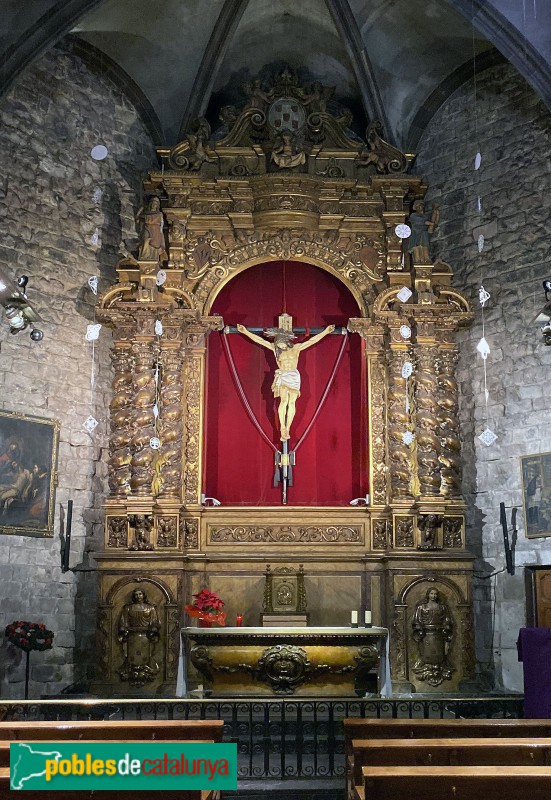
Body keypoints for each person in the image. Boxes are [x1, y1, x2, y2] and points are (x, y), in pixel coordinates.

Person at [236, 322, 335, 441]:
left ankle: (288, 427)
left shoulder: (296, 348)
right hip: (283, 375)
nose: (280, 347)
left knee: (292, 402)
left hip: (293, 376)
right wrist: (245, 332)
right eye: (278, 345)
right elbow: (261, 341)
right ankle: (282, 427)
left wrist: (325, 332)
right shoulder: (275, 349)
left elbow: (311, 341)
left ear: (286, 341)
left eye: (282, 344)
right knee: (283, 401)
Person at [117, 588, 160, 686]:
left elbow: (154, 622)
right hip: (132, 636)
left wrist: (153, 628)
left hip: (146, 636)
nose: (138, 596)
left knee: (147, 655)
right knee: (131, 656)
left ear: (143, 595)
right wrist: (124, 629)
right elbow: (123, 622)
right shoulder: (128, 608)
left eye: (140, 594)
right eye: (136, 594)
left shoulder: (150, 608)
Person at [412, 587, 454, 687]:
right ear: (428, 595)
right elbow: (416, 620)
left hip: (438, 634)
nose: (433, 596)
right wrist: (419, 628)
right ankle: (423, 662)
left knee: (440, 652)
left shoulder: (442, 607)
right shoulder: (422, 607)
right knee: (425, 652)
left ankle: (443, 663)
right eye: (431, 594)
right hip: (426, 634)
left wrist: (446, 626)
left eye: (435, 594)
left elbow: (447, 619)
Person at [135, 197, 167, 263]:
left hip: (155, 231)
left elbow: (160, 223)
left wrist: (161, 234)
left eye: (155, 204)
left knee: (154, 245)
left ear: (157, 205)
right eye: (152, 203)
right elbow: (139, 221)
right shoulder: (146, 213)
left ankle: (153, 258)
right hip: (147, 228)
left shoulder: (159, 214)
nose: (153, 205)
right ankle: (144, 256)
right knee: (145, 240)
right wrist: (139, 213)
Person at [407, 199, 439, 263]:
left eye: (421, 206)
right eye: (417, 207)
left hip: (424, 232)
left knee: (425, 246)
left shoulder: (426, 216)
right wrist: (431, 223)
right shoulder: (413, 215)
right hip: (416, 233)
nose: (419, 208)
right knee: (417, 246)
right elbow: (421, 222)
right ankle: (417, 259)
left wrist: (436, 213)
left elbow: (434, 223)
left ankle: (426, 258)